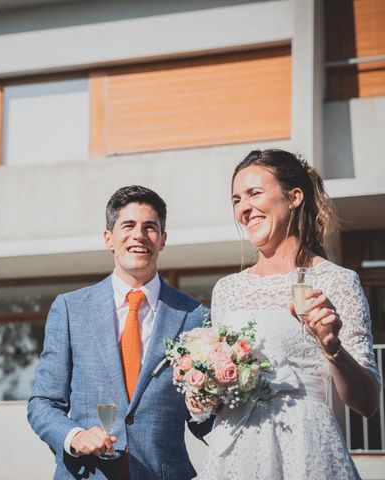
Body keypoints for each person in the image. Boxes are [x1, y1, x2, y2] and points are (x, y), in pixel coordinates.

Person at [198, 149, 381, 479]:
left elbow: (367, 403)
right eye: (236, 199)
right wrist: (203, 390)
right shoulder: (226, 289)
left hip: (304, 447)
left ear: (294, 197)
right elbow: (222, 394)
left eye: (255, 193)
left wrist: (332, 348)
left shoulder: (338, 281)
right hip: (236, 454)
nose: (243, 208)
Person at [28, 185, 210, 480]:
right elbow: (43, 403)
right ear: (108, 238)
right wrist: (74, 436)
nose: (139, 235)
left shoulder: (195, 317)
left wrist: (203, 410)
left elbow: (203, 420)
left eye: (150, 227)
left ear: (162, 240)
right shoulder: (70, 309)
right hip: (87, 473)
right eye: (128, 225)